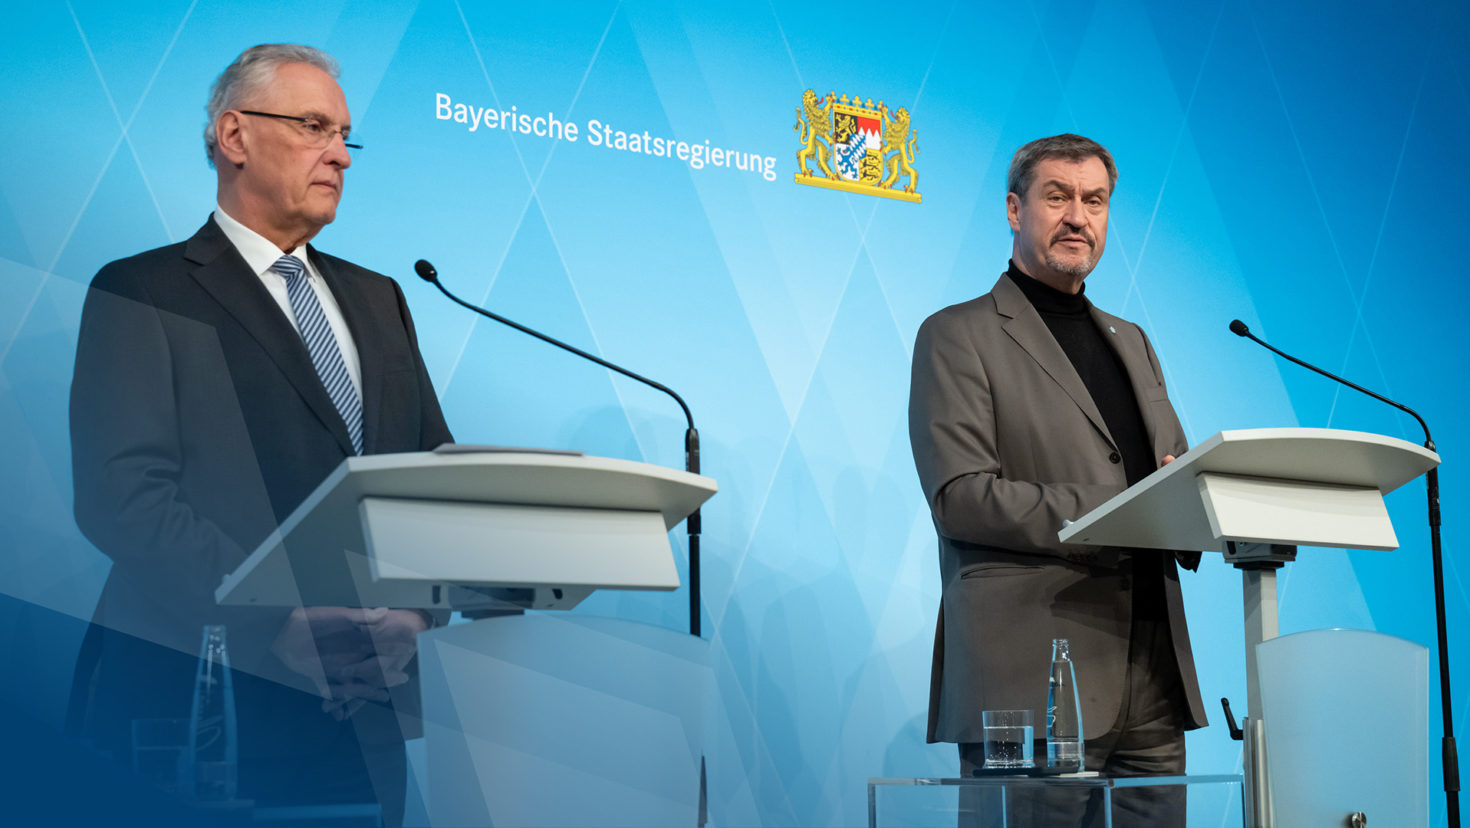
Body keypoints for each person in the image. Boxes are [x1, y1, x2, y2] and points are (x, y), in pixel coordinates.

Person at [68, 44, 452, 824]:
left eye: (346, 135)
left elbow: (433, 481)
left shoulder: (381, 300)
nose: (341, 155)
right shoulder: (144, 289)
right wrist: (276, 622)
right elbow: (122, 496)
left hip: (362, 712)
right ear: (233, 136)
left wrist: (417, 615)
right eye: (314, 126)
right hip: (202, 703)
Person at [907, 134, 1208, 826]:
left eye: (1094, 200)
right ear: (1015, 210)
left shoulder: (1131, 339)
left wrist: (1201, 500)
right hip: (1033, 676)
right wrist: (1123, 509)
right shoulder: (958, 334)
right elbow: (960, 496)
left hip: (1153, 679)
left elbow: (1170, 470)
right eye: (1058, 196)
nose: (1078, 216)